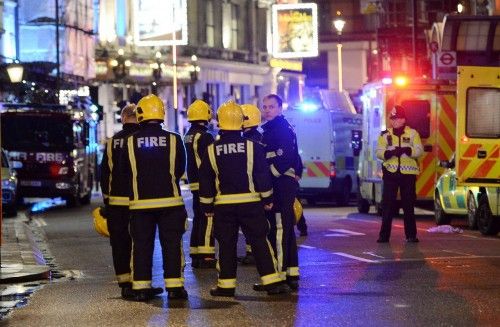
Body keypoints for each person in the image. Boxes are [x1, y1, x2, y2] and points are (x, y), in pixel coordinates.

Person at [199, 101, 289, 297]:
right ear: (241, 122)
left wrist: (206, 205)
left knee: (226, 245)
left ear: (220, 122)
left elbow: (206, 179)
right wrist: (267, 198)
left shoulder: (212, 149)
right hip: (251, 203)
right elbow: (261, 175)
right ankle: (271, 282)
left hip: (224, 206)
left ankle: (226, 285)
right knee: (259, 241)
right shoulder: (253, 147)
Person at [122, 94, 189, 301]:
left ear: (141, 114)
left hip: (140, 204)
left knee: (141, 245)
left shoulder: (130, 141)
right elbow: (180, 168)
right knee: (172, 244)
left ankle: (141, 288)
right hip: (170, 202)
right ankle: (175, 288)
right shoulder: (174, 138)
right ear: (161, 113)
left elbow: (125, 171)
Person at [99, 104, 163, 300]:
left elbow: (105, 174)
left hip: (116, 202)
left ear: (123, 118)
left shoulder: (112, 142)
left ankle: (125, 284)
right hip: (140, 200)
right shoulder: (142, 140)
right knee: (141, 243)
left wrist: (108, 202)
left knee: (119, 244)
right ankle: (141, 284)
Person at [257, 94, 300, 291]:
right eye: (264, 107)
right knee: (286, 229)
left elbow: (285, 158)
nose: (267, 110)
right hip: (284, 182)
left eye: (271, 107)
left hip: (280, 184)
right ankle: (290, 273)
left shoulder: (279, 129)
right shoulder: (276, 127)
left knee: (280, 229)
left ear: (280, 108)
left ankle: (280, 276)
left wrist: (268, 179)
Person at [375, 105, 423, 243]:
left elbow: (419, 150)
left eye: (397, 119)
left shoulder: (413, 133)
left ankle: (411, 235)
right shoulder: (385, 134)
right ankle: (383, 236)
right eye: (392, 119)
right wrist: (388, 153)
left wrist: (409, 151)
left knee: (408, 206)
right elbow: (378, 151)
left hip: (408, 175)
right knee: (388, 206)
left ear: (403, 120)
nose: (394, 121)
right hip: (390, 174)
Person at [184, 100, 217, 269]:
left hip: (194, 181)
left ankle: (196, 252)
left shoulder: (189, 134)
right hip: (205, 182)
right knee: (208, 216)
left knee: (198, 216)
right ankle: (206, 255)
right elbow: (211, 161)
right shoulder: (205, 136)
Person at [239, 103, 264, 265]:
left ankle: (254, 253)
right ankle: (251, 252)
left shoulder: (250, 139)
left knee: (252, 223)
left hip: (252, 186)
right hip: (254, 185)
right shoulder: (258, 136)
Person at [294, 155, 308, 237]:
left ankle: (303, 228)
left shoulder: (292, 151)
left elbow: (299, 165)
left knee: (297, 207)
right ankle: (302, 228)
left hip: (292, 184)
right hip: (288, 184)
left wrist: (298, 175)